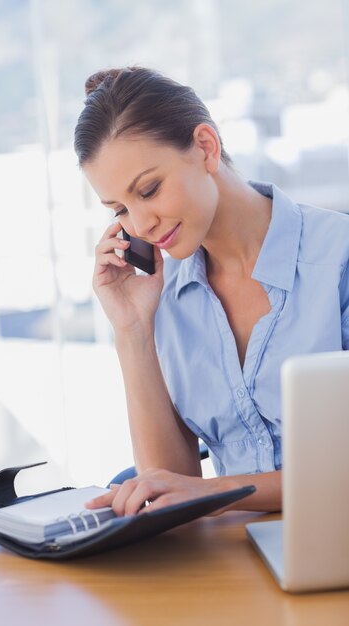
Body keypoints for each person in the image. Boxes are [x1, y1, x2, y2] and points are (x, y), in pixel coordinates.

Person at [73, 66, 349, 517]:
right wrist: (132, 330)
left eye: (150, 189)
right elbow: (169, 483)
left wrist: (218, 490)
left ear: (205, 147)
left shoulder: (338, 259)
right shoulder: (164, 294)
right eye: (120, 208)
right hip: (230, 560)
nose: (140, 225)